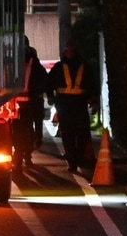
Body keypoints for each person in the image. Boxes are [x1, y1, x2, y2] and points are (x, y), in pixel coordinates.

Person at [46, 41, 98, 173]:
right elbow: (49, 82)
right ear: (65, 53)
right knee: (68, 134)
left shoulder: (84, 67)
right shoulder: (58, 67)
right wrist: (50, 96)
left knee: (82, 133)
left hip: (79, 103)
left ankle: (79, 157)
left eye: (72, 51)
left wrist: (93, 100)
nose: (70, 53)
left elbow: (91, 84)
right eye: (68, 51)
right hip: (64, 104)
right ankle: (72, 161)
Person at [12, 38, 50, 173]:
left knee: (21, 131)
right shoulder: (32, 61)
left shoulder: (13, 59)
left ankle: (22, 156)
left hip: (21, 103)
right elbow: (43, 81)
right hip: (23, 103)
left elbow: (42, 81)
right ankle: (23, 156)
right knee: (24, 131)